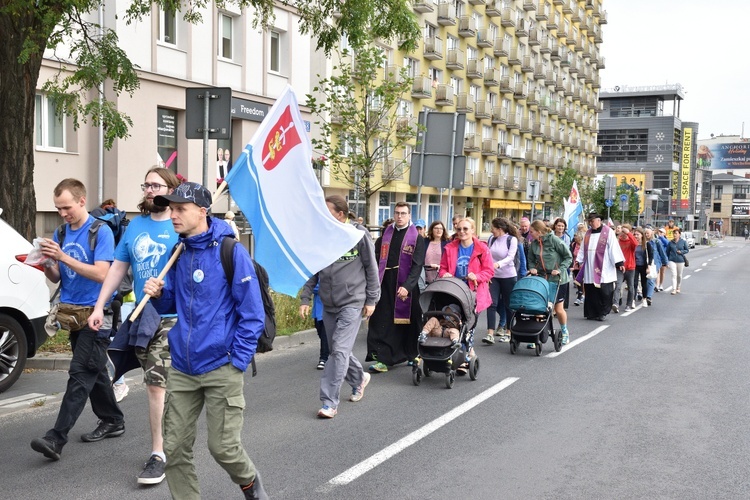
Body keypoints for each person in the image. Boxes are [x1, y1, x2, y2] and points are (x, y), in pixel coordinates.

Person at [143, 181, 268, 500]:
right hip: (183, 368)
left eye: (180, 209)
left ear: (202, 212)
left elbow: (252, 314)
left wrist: (236, 360)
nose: (173, 215)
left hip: (221, 365)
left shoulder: (230, 251)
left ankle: (250, 483)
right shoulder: (179, 251)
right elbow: (174, 304)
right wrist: (159, 295)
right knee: (174, 448)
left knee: (223, 447)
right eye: (171, 208)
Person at [87, 167, 180, 485]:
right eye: (147, 185)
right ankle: (170, 436)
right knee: (162, 385)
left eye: (156, 185)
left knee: (155, 384)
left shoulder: (180, 224)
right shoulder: (136, 225)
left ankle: (159, 454)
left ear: (170, 188)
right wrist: (99, 306)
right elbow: (117, 268)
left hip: (175, 317)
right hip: (142, 316)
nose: (150, 190)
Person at [30, 178, 122, 462]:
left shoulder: (100, 231)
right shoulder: (60, 232)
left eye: (66, 207)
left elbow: (102, 274)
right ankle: (113, 420)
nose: (62, 213)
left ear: (82, 201)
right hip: (72, 315)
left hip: (98, 315)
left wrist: (63, 257)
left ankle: (55, 439)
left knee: (80, 374)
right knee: (93, 372)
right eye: (58, 208)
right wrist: (46, 264)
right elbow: (59, 277)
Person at [299, 195, 380, 419]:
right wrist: (306, 297)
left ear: (340, 214)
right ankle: (359, 378)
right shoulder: (323, 236)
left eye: (327, 211)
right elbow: (314, 269)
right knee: (338, 349)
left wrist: (372, 299)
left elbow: (371, 268)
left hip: (353, 301)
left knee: (339, 352)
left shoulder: (358, 234)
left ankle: (329, 402)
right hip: (329, 302)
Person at [367, 202, 424, 373]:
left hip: (406, 284)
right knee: (382, 319)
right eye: (397, 213)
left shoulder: (416, 238)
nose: (399, 216)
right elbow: (376, 257)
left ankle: (412, 353)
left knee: (409, 321)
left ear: (409, 216)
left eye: (403, 213)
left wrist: (407, 286)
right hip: (385, 281)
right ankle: (384, 358)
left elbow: (417, 265)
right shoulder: (386, 234)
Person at [439, 217, 494, 372]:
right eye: (459, 229)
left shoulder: (482, 249)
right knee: (455, 321)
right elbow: (442, 268)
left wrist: (477, 276)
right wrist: (445, 274)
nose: (462, 232)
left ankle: (464, 357)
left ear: (472, 231)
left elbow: (489, 271)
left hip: (473, 292)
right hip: (454, 290)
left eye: (465, 229)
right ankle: (467, 352)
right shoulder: (450, 248)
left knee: (468, 325)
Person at [526, 220, 573, 345]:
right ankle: (538, 333)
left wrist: (559, 269)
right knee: (539, 307)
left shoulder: (554, 240)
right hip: (541, 278)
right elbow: (530, 259)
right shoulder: (534, 244)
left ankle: (564, 331)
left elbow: (568, 257)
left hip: (557, 279)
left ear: (539, 232)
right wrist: (532, 268)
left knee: (557, 308)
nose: (530, 234)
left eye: (531, 232)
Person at [575, 212, 624, 321]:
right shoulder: (587, 233)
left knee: (605, 292)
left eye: (592, 221)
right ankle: (592, 313)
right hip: (589, 266)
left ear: (599, 220)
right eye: (589, 221)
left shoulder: (608, 232)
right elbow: (583, 249)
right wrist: (578, 260)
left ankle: (603, 312)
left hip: (604, 266)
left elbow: (614, 248)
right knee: (591, 290)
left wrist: (619, 262)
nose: (591, 224)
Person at [484, 217, 519, 344]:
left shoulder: (511, 239)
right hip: (493, 276)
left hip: (508, 276)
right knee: (491, 303)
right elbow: (487, 255)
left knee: (508, 305)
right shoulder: (492, 239)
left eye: (492, 228)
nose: (491, 230)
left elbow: (510, 257)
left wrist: (498, 264)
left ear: (500, 229)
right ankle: (490, 333)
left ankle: (509, 332)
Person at [613, 224, 638, 312]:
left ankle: (629, 304)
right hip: (620, 268)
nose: (623, 234)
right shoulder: (617, 241)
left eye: (625, 232)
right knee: (618, 286)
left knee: (631, 287)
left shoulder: (631, 241)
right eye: (622, 232)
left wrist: (629, 234)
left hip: (630, 268)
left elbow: (636, 244)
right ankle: (615, 304)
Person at [633, 228, 654, 307]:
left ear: (642, 235)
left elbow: (650, 256)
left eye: (637, 234)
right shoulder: (634, 243)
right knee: (634, 283)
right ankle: (633, 300)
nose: (636, 236)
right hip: (635, 266)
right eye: (635, 234)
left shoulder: (646, 244)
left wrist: (648, 266)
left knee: (643, 283)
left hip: (644, 266)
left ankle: (644, 299)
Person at [423, 220, 448, 285]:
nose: (438, 230)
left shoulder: (447, 244)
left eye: (441, 228)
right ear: (432, 230)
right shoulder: (424, 242)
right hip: (426, 276)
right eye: (436, 228)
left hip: (441, 278)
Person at [667, 227, 689, 295]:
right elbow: (667, 252)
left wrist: (681, 251)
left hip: (680, 260)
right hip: (672, 260)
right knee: (674, 274)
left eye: (676, 233)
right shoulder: (670, 242)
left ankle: (678, 287)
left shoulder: (683, 242)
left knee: (679, 275)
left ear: (679, 234)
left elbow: (687, 250)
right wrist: (667, 260)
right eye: (674, 233)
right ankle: (673, 289)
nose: (674, 235)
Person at [655, 227, 670, 291]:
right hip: (657, 258)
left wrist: (662, 237)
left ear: (664, 233)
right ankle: (657, 285)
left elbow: (667, 244)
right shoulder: (656, 239)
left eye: (661, 232)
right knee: (657, 272)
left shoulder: (665, 240)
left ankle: (661, 284)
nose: (659, 233)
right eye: (659, 232)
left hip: (663, 258)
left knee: (662, 272)